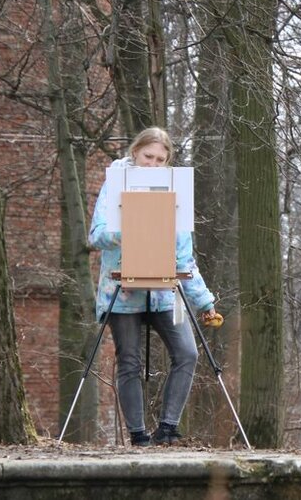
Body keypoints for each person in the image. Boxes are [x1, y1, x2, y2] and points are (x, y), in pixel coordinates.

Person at [88, 127, 222, 447]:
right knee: (130, 360)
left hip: (165, 291)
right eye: (148, 156)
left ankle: (168, 428)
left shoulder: (174, 190)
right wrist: (128, 229)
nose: (153, 164)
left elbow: (184, 257)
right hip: (123, 293)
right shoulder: (115, 184)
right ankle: (138, 434)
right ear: (135, 153)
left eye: (161, 159)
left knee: (187, 352)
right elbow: (97, 235)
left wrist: (204, 302)